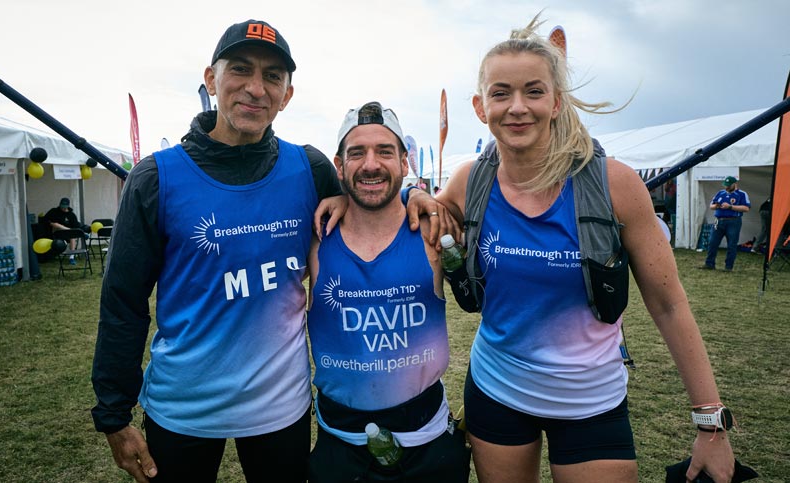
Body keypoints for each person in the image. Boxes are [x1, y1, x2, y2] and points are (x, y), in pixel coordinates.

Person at [91, 19, 447, 483]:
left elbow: (371, 192)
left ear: (287, 95)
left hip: (282, 409)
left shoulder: (309, 167)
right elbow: (123, 302)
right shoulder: (156, 178)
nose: (255, 88)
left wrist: (414, 196)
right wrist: (114, 413)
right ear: (210, 78)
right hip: (183, 409)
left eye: (273, 77)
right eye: (240, 69)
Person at [435, 15, 736, 483]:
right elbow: (419, 220)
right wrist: (416, 197)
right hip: (496, 393)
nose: (517, 107)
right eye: (501, 93)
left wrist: (710, 423)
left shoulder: (613, 183)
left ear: (557, 102)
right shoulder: (469, 181)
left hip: (591, 404)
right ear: (480, 107)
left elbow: (670, 303)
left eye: (534, 91)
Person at [306, 102, 470, 483]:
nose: (371, 164)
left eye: (384, 151)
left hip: (428, 443)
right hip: (340, 443)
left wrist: (418, 195)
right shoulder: (314, 238)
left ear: (405, 161)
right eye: (357, 152)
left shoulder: (433, 231)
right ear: (339, 166)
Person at [702, 176, 751, 271]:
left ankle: (728, 266)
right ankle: (709, 263)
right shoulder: (720, 193)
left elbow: (746, 208)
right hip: (719, 220)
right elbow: (711, 206)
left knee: (732, 244)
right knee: (712, 242)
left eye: (729, 186)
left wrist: (730, 207)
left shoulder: (742, 194)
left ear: (735, 184)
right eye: (725, 185)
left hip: (733, 221)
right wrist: (716, 206)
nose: (726, 187)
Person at [44, 197, 84, 264]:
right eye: (62, 206)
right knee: (55, 224)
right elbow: (46, 220)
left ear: (68, 206)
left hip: (68, 234)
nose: (63, 208)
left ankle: (71, 257)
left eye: (65, 207)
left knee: (72, 235)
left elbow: (76, 226)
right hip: (57, 233)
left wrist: (70, 230)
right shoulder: (54, 211)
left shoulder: (71, 215)